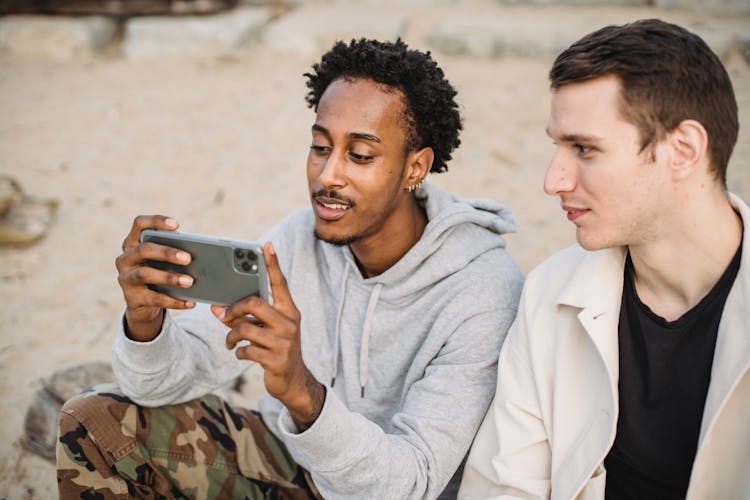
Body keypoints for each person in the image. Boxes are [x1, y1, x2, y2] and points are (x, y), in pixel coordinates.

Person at [56, 38, 524, 499]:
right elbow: (154, 386)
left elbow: (413, 482)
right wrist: (145, 323)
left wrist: (303, 393)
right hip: (295, 468)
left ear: (415, 167)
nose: (328, 176)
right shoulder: (299, 239)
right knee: (93, 421)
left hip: (385, 489)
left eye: (359, 155)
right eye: (321, 147)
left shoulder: (482, 292)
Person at [459, 18, 749, 500]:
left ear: (683, 150)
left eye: (584, 149)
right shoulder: (549, 292)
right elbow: (503, 489)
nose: (554, 180)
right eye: (558, 146)